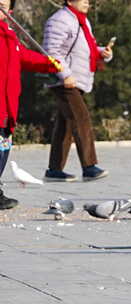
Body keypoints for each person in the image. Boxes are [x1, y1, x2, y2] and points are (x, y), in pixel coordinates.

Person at [0, 0, 63, 209]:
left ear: (10, 10)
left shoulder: (10, 35)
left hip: (8, 106)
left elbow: (24, 56)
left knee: (3, 150)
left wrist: (48, 63)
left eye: (4, 5)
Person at [42, 0, 112, 182]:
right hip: (63, 80)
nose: (87, 3)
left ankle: (54, 170)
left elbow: (86, 48)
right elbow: (51, 51)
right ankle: (89, 167)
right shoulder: (60, 20)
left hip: (77, 79)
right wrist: (64, 74)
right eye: (84, 0)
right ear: (70, 1)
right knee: (81, 117)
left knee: (65, 123)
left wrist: (102, 52)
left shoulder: (82, 20)